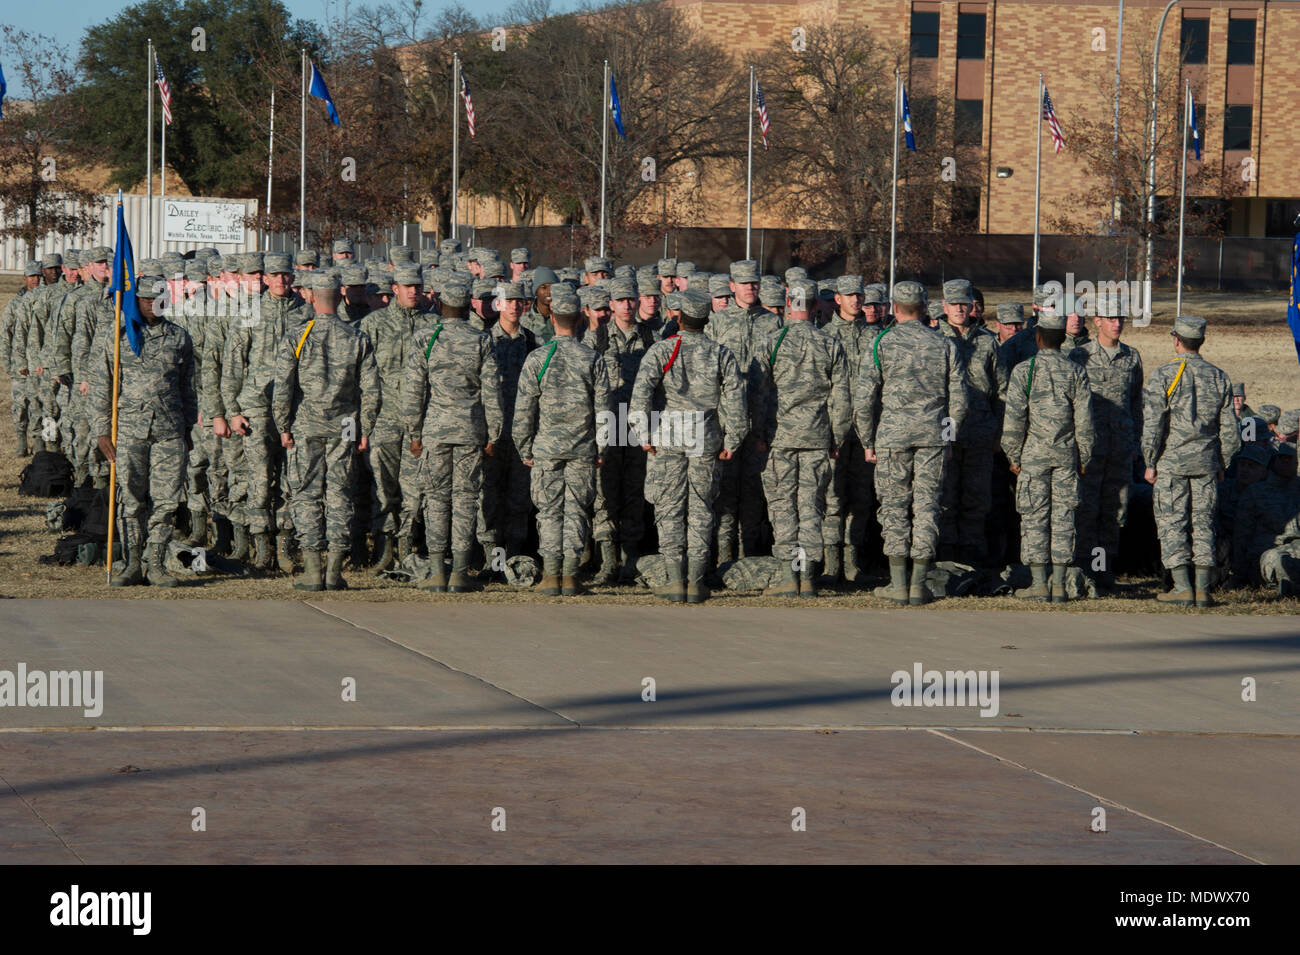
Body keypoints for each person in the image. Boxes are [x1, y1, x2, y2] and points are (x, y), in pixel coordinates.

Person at [854, 281, 966, 605]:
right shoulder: (945, 344)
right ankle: (919, 583)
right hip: (932, 436)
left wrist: (867, 440)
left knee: (894, 506)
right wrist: (947, 438)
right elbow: (959, 400)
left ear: (895, 307)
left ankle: (898, 582)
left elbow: (864, 399)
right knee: (927, 504)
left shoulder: (881, 343)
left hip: (892, 435)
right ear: (924, 307)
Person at [632, 288, 747, 602]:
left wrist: (642, 434)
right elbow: (735, 401)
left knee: (669, 507)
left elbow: (641, 394)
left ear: (679, 317)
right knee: (700, 507)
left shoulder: (661, 350)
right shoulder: (722, 353)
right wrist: (733, 440)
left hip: (669, 435)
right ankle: (696, 581)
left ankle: (674, 580)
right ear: (707, 319)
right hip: (705, 436)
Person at [273, 272, 380, 591]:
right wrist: (366, 428)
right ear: (339, 297)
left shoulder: (299, 334)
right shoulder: (357, 337)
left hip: (306, 425)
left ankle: (313, 570)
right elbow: (371, 389)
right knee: (340, 494)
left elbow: (283, 386)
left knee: (307, 494)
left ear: (313, 297)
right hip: (345, 425)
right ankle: (334, 571)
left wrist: (282, 426)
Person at [91, 275, 197, 587]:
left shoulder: (179, 338)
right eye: (146, 299)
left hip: (169, 431)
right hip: (129, 431)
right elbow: (101, 386)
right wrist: (101, 431)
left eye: (159, 298)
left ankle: (156, 564)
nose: (152, 304)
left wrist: (188, 429)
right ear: (135, 301)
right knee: (132, 499)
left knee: (165, 501)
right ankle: (133, 562)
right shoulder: (119, 336)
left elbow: (188, 388)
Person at [752, 279, 851, 598]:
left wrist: (760, 434)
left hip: (780, 438)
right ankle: (807, 577)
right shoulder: (830, 343)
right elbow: (842, 398)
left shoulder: (772, 341)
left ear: (787, 303)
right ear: (817, 305)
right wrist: (837, 436)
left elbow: (760, 394)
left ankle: (788, 576)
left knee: (783, 507)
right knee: (812, 507)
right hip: (818, 437)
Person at [405, 278, 503, 593]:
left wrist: (414, 431)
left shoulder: (425, 338)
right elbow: (492, 390)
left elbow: (414, 390)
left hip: (435, 430)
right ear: (466, 306)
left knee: (435, 498)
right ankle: (460, 572)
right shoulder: (481, 340)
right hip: (472, 430)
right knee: (466, 499)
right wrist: (494, 433)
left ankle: (436, 572)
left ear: (442, 305)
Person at [512, 286, 611, 596]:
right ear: (580, 320)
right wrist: (602, 447)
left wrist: (524, 446)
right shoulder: (592, 358)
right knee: (577, 512)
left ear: (552, 318)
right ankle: (570, 576)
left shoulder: (537, 358)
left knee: (549, 512)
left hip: (546, 449)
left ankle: (552, 574)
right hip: (583, 449)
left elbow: (524, 409)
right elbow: (604, 411)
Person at [1141, 315, 1241, 607]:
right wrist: (1222, 462)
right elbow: (1231, 432)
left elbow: (1153, 425)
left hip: (1171, 462)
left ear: (1176, 340)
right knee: (1204, 523)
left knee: (1173, 522)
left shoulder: (1164, 375)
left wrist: (1150, 460)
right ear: (1202, 341)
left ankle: (1182, 586)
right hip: (1207, 463)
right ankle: (1202, 588)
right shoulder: (1219, 377)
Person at [1001, 310, 1095, 602]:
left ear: (1038, 337)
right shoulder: (1076, 371)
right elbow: (1085, 422)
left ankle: (1039, 583)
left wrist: (1013, 456)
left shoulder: (1024, 371)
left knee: (1034, 517)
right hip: (1067, 457)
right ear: (1063, 338)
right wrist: (1084, 458)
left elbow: (1014, 421)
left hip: (1033, 457)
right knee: (1064, 517)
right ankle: (1059, 584)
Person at [222, 252, 307, 572]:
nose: (281, 280)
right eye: (275, 275)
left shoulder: (306, 312)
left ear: (292, 278)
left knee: (289, 478)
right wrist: (233, 410)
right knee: (259, 479)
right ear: (266, 279)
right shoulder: (249, 311)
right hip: (256, 406)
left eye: (286, 275)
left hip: (295, 409)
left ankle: (285, 546)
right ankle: (261, 547)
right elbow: (233, 364)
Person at [707, 259, 780, 563]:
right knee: (724, 493)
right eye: (745, 283)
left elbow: (776, 377)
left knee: (753, 491)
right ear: (732, 286)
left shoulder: (772, 322)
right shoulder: (718, 323)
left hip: (760, 420)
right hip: (725, 421)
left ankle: (748, 557)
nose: (751, 288)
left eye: (755, 283)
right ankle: (724, 557)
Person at [1070, 296, 1144, 588]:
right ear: (1096, 320)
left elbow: (1136, 404)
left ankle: (1104, 569)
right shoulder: (1080, 356)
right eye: (1111, 318)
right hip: (1090, 450)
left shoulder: (1132, 357)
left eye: (1121, 318)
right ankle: (1085, 568)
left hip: (1120, 449)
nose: (1117, 323)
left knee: (1115, 511)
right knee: (1087, 509)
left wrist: (1137, 444)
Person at [360, 264, 427, 570]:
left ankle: (406, 546)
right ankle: (384, 547)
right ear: (394, 289)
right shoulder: (373, 325)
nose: (413, 291)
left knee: (414, 489)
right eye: (407, 286)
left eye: (417, 286)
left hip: (421, 424)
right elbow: (360, 374)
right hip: (384, 418)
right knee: (383, 487)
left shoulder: (433, 325)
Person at [938, 278, 1006, 566]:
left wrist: (999, 433)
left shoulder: (988, 342)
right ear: (944, 306)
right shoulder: (935, 339)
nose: (959, 309)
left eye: (964, 304)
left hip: (980, 433)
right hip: (945, 433)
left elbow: (1001, 391)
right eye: (953, 304)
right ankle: (946, 557)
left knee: (977, 500)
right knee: (945, 497)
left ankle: (971, 559)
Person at [592, 276, 655, 583]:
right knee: (605, 493)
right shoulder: (597, 339)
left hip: (639, 426)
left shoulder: (650, 336)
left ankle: (630, 559)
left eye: (632, 299)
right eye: (621, 301)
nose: (627, 305)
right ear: (611, 305)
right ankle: (607, 562)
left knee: (634, 490)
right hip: (609, 423)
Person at [821, 274, 874, 584]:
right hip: (833, 428)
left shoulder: (876, 336)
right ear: (837, 299)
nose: (856, 299)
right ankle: (831, 563)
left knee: (861, 497)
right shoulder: (825, 336)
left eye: (860, 294)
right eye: (849, 294)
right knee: (832, 497)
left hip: (866, 431)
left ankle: (854, 563)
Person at [479, 281, 538, 564]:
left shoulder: (533, 343)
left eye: (520, 301)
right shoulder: (485, 341)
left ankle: (513, 557)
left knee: (518, 498)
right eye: (509, 300)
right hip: (493, 432)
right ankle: (494, 560)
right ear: (498, 304)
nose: (515, 306)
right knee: (489, 497)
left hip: (522, 433)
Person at [1, 261, 43, 456]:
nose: (35, 279)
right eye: (32, 276)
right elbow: (5, 333)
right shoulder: (15, 304)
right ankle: (21, 440)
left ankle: (39, 440)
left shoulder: (44, 298)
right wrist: (6, 361)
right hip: (19, 363)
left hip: (38, 363)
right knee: (20, 404)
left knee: (38, 403)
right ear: (24, 278)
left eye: (38, 276)